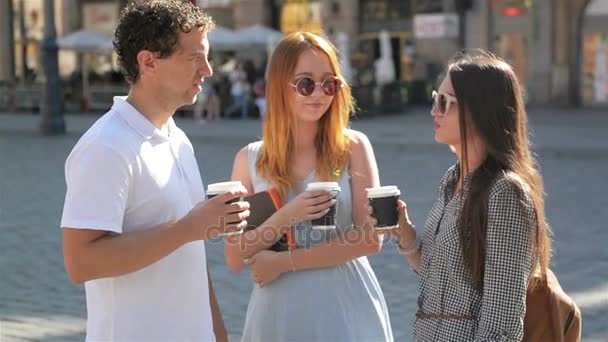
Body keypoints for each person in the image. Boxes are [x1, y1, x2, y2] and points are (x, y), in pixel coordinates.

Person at [60, 1, 249, 341]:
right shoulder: (106, 146)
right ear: (148, 62)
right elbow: (81, 261)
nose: (207, 70)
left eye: (206, 57)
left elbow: (193, 260)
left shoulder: (178, 139)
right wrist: (189, 228)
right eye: (194, 57)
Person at [369, 50, 552, 341]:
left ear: (480, 109)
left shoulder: (506, 194)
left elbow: (501, 324)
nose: (434, 111)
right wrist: (404, 232)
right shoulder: (451, 180)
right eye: (434, 99)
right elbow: (439, 276)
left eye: (445, 102)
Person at [225, 32, 393, 341]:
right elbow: (236, 257)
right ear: (279, 86)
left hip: (345, 309)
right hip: (277, 315)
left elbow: (370, 240)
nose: (319, 94)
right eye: (306, 83)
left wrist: (284, 262)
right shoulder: (248, 159)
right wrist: (288, 214)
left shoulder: (354, 146)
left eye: (329, 83)